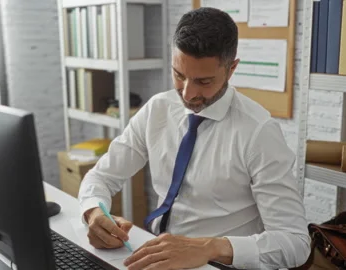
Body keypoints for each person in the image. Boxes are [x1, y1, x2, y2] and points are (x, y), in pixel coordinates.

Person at [78, 7, 310, 270]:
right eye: (179, 75)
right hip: (158, 253)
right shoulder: (158, 109)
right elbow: (102, 176)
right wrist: (94, 213)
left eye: (204, 81)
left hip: (220, 264)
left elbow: (295, 242)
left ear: (231, 69)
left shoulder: (259, 132)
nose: (188, 95)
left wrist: (209, 247)